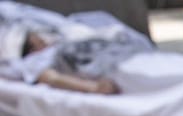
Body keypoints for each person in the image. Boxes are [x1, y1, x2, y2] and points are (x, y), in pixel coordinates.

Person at [0, 2, 152, 94]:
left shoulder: (17, 17)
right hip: (83, 59)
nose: (39, 42)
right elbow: (50, 77)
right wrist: (92, 88)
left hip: (86, 39)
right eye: (34, 45)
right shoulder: (30, 61)